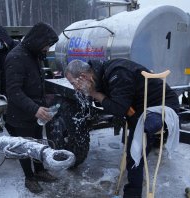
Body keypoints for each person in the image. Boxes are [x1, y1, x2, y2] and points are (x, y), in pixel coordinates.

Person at [64, 58, 180, 198]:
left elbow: (118, 108)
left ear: (83, 76)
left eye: (73, 84)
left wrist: (95, 94)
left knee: (135, 151)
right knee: (135, 147)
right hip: (139, 108)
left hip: (161, 106)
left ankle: (132, 194)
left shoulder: (118, 73)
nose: (75, 88)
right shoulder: (100, 75)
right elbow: (112, 102)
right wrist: (97, 93)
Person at [4, 22, 59, 194]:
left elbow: (37, 82)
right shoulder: (16, 57)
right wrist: (35, 108)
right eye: (46, 44)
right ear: (37, 40)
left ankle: (40, 171)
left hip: (36, 111)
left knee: (37, 143)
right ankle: (29, 177)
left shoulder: (34, 54)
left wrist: (44, 104)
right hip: (21, 114)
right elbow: (13, 91)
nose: (47, 48)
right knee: (24, 148)